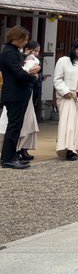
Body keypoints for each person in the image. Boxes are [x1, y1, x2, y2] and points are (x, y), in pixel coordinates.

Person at [1, 25, 39, 170]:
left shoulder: (13, 51)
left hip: (17, 93)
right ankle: (7, 158)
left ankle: (12, 156)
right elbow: (18, 73)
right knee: (14, 127)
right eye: (25, 39)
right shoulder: (9, 53)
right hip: (14, 94)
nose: (26, 42)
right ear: (17, 38)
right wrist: (33, 77)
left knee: (16, 127)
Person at [17, 40, 43, 161]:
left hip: (30, 94)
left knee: (29, 122)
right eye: (35, 51)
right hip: (20, 93)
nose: (36, 53)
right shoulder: (20, 58)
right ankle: (16, 149)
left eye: (38, 51)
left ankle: (24, 148)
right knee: (20, 122)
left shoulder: (35, 61)